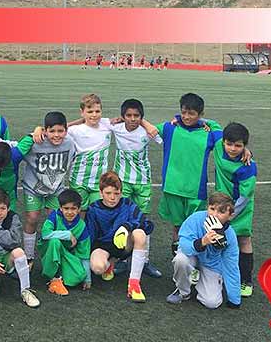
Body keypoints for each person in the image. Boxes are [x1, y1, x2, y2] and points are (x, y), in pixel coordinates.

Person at [153, 93, 223, 253]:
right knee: (177, 227)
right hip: (172, 188)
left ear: (200, 115)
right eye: (183, 112)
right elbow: (147, 129)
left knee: (196, 227)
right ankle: (178, 259)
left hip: (195, 191)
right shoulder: (170, 128)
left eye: (191, 113)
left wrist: (206, 122)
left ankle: (194, 262)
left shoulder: (209, 133)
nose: (186, 117)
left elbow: (224, 135)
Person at [110, 99, 163, 278]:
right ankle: (123, 258)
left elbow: (162, 137)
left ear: (141, 117)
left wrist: (145, 123)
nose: (132, 119)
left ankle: (145, 260)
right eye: (129, 115)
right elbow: (96, 124)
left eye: (136, 116)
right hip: (122, 182)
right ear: (123, 116)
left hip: (143, 182)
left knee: (143, 219)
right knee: (122, 217)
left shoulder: (146, 132)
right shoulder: (116, 128)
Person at [86, 172, 154, 303]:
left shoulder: (128, 204)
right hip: (103, 247)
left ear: (121, 193)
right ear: (101, 193)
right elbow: (90, 237)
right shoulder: (93, 209)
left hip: (124, 246)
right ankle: (110, 263)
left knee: (139, 234)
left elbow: (147, 224)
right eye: (108, 193)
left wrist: (127, 226)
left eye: (116, 194)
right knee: (97, 268)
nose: (112, 198)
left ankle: (134, 284)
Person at [166, 192, 241, 309]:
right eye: (212, 209)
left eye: (221, 212)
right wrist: (202, 242)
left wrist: (234, 299)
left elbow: (231, 265)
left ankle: (200, 281)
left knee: (212, 303)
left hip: (211, 264)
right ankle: (183, 292)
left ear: (230, 215)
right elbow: (184, 245)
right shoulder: (195, 219)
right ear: (207, 208)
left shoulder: (230, 235)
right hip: (190, 256)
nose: (214, 215)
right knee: (180, 260)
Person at [21, 111, 76, 265]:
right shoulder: (36, 141)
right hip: (34, 186)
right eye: (52, 131)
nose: (56, 135)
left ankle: (52, 256)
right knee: (32, 218)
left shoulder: (70, 143)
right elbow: (15, 147)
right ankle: (29, 255)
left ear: (66, 130)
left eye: (60, 131)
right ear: (45, 131)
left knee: (55, 220)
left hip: (56, 188)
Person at [213, 123, 257, 297]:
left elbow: (245, 197)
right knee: (218, 238)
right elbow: (209, 123)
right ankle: (218, 274)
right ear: (223, 142)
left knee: (243, 240)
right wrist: (179, 119)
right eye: (229, 144)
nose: (232, 148)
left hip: (240, 208)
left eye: (238, 146)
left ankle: (246, 281)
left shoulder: (248, 167)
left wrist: (229, 216)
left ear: (245, 146)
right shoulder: (218, 145)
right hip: (220, 207)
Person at [0, 188, 40, 308]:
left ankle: (26, 290)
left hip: (6, 257)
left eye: (3, 209)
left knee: (19, 252)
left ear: (8, 208)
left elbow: (14, 241)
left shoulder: (13, 218)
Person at [37, 189, 91, 295]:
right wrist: (67, 235)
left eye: (73, 209)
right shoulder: (54, 216)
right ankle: (54, 279)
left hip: (65, 253)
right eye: (66, 208)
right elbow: (45, 234)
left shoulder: (82, 226)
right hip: (48, 250)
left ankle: (61, 273)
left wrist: (87, 279)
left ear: (79, 209)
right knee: (55, 242)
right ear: (60, 208)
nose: (70, 212)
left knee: (80, 276)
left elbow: (84, 254)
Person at [67, 94, 113, 212]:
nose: (94, 115)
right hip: (78, 180)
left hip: (99, 182)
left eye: (97, 111)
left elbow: (124, 119)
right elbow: (57, 130)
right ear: (82, 112)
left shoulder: (107, 125)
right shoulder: (74, 130)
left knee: (97, 212)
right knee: (78, 212)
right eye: (90, 111)